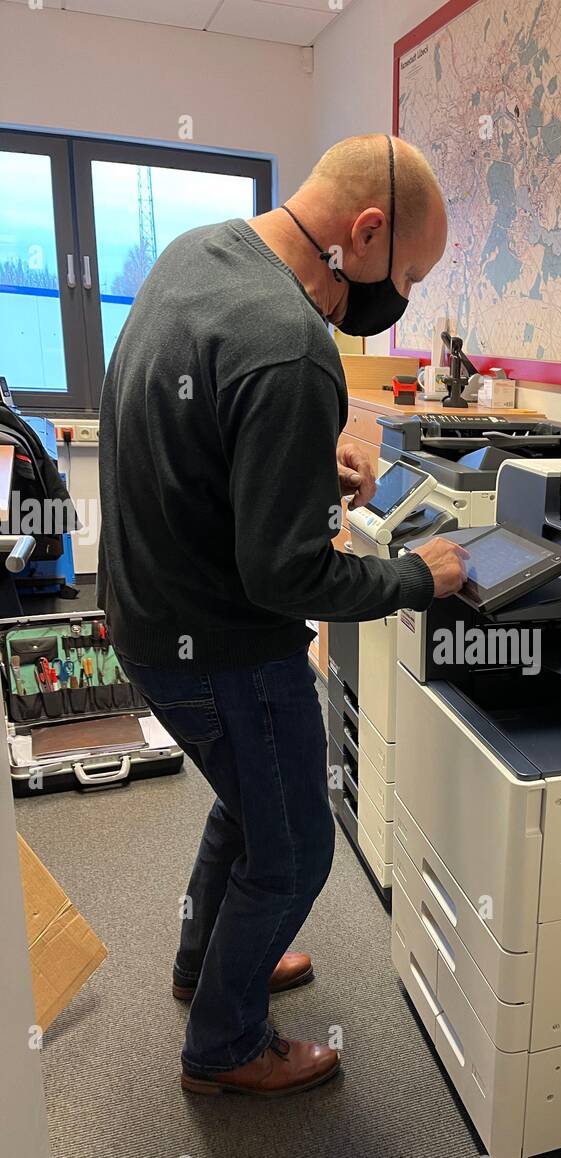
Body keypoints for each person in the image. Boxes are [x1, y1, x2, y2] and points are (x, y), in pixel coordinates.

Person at [97, 134, 468, 1098]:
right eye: (409, 276)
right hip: (224, 643)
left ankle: (204, 965)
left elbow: (204, 443)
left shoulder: (200, 252)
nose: (401, 304)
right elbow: (288, 577)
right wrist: (417, 578)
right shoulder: (291, 342)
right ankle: (224, 1045)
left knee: (246, 805)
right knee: (298, 849)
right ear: (367, 229)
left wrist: (302, 465)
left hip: (149, 615)